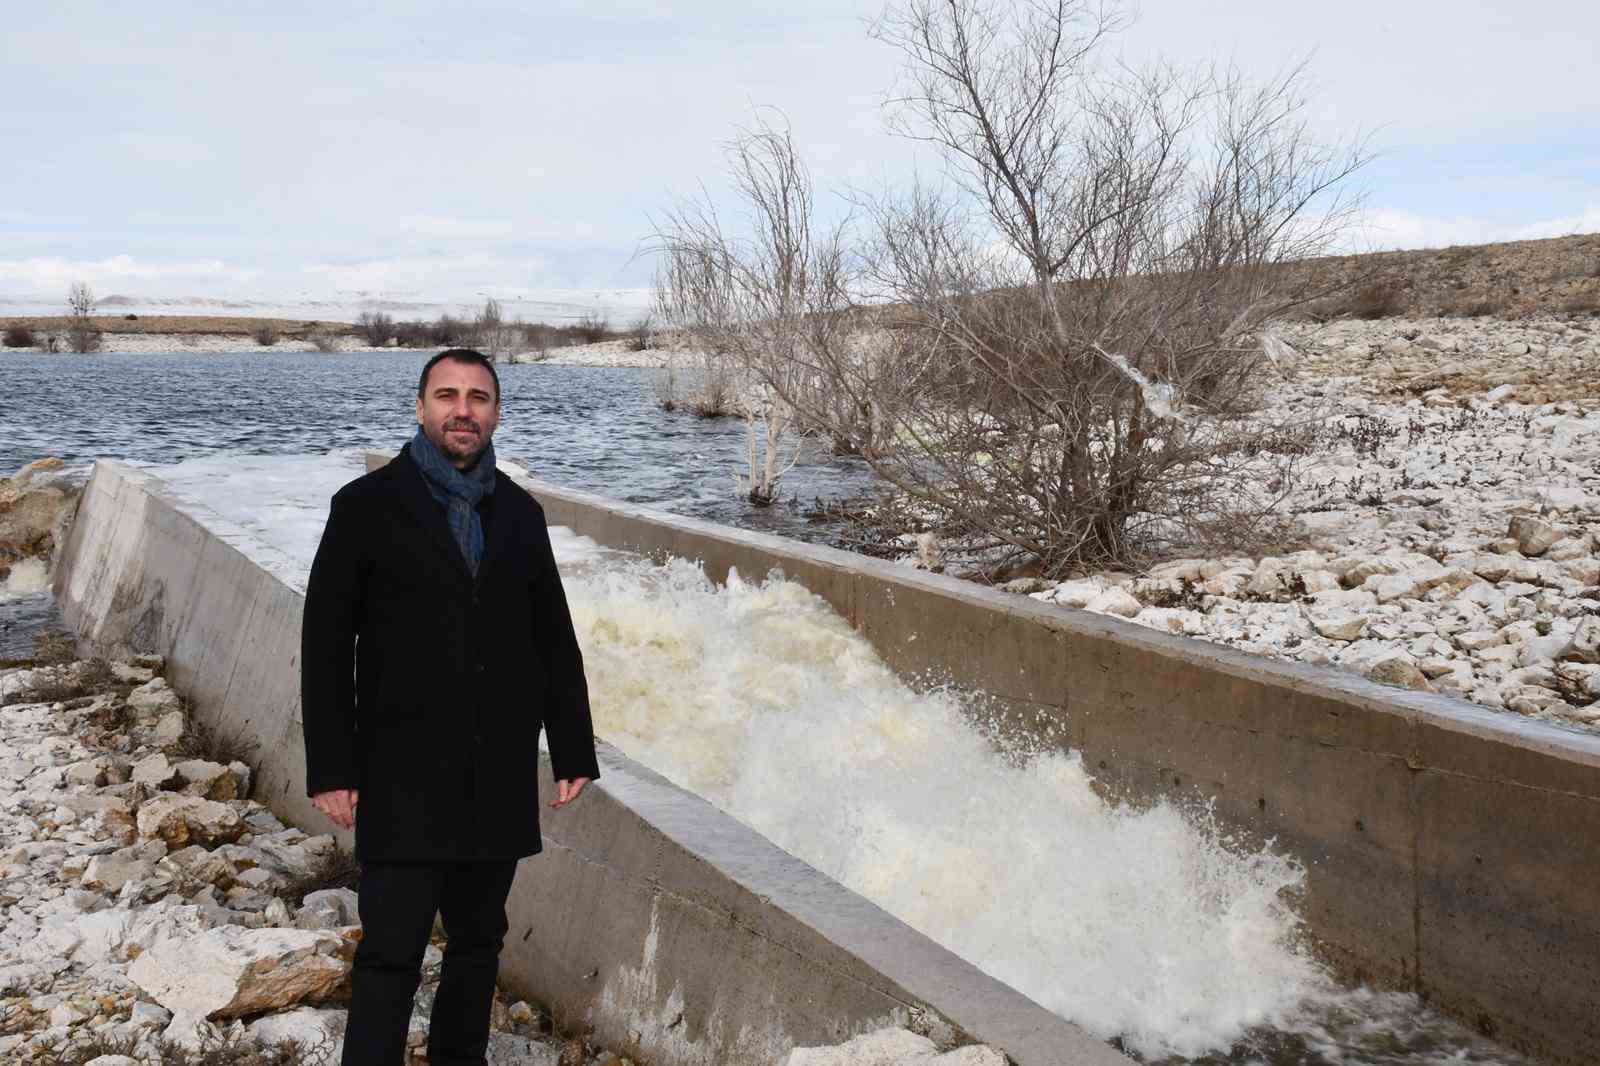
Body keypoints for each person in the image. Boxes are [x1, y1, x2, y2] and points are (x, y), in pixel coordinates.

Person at [300, 347, 599, 1066]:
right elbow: (324, 644)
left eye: (478, 397)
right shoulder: (366, 506)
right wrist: (332, 768)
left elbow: (552, 636)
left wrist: (573, 747)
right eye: (447, 396)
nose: (463, 410)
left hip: (494, 768)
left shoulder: (521, 514)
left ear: (496, 412)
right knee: (391, 950)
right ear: (421, 407)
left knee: (478, 944)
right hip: (399, 768)